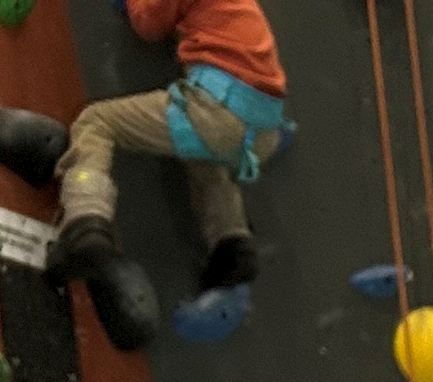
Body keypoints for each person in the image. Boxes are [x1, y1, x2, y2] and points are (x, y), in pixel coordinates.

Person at [54, 0, 288, 294]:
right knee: (200, 150)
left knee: (96, 122)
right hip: (263, 129)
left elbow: (148, 24)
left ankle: (85, 220)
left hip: (220, 106)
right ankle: (231, 239)